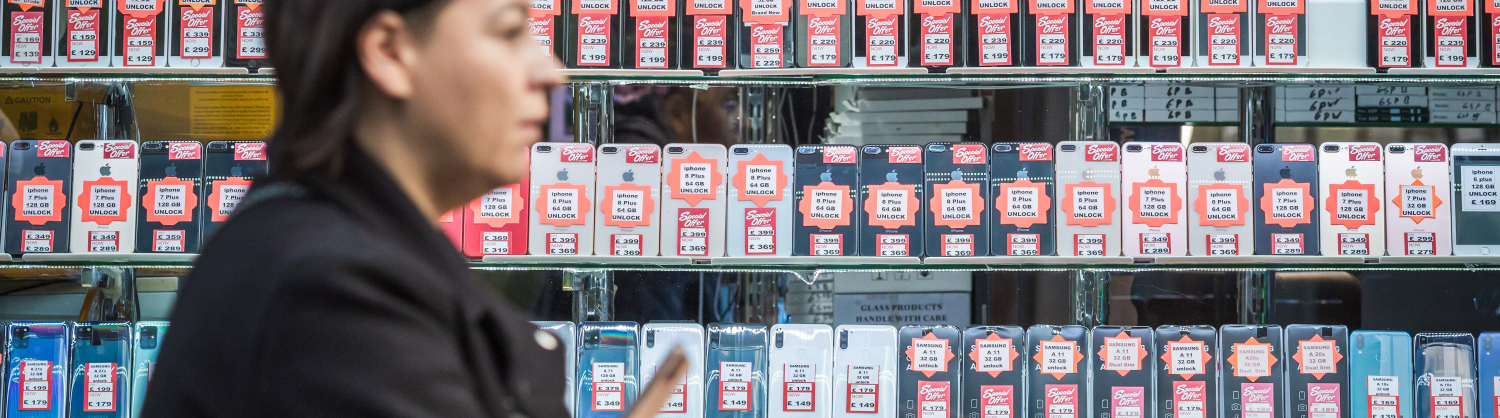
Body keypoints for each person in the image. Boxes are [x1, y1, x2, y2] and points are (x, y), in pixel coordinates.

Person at [140, 0, 569, 415]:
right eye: (510, 31)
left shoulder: (344, 247)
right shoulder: (332, 293)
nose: (552, 71)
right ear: (390, 51)